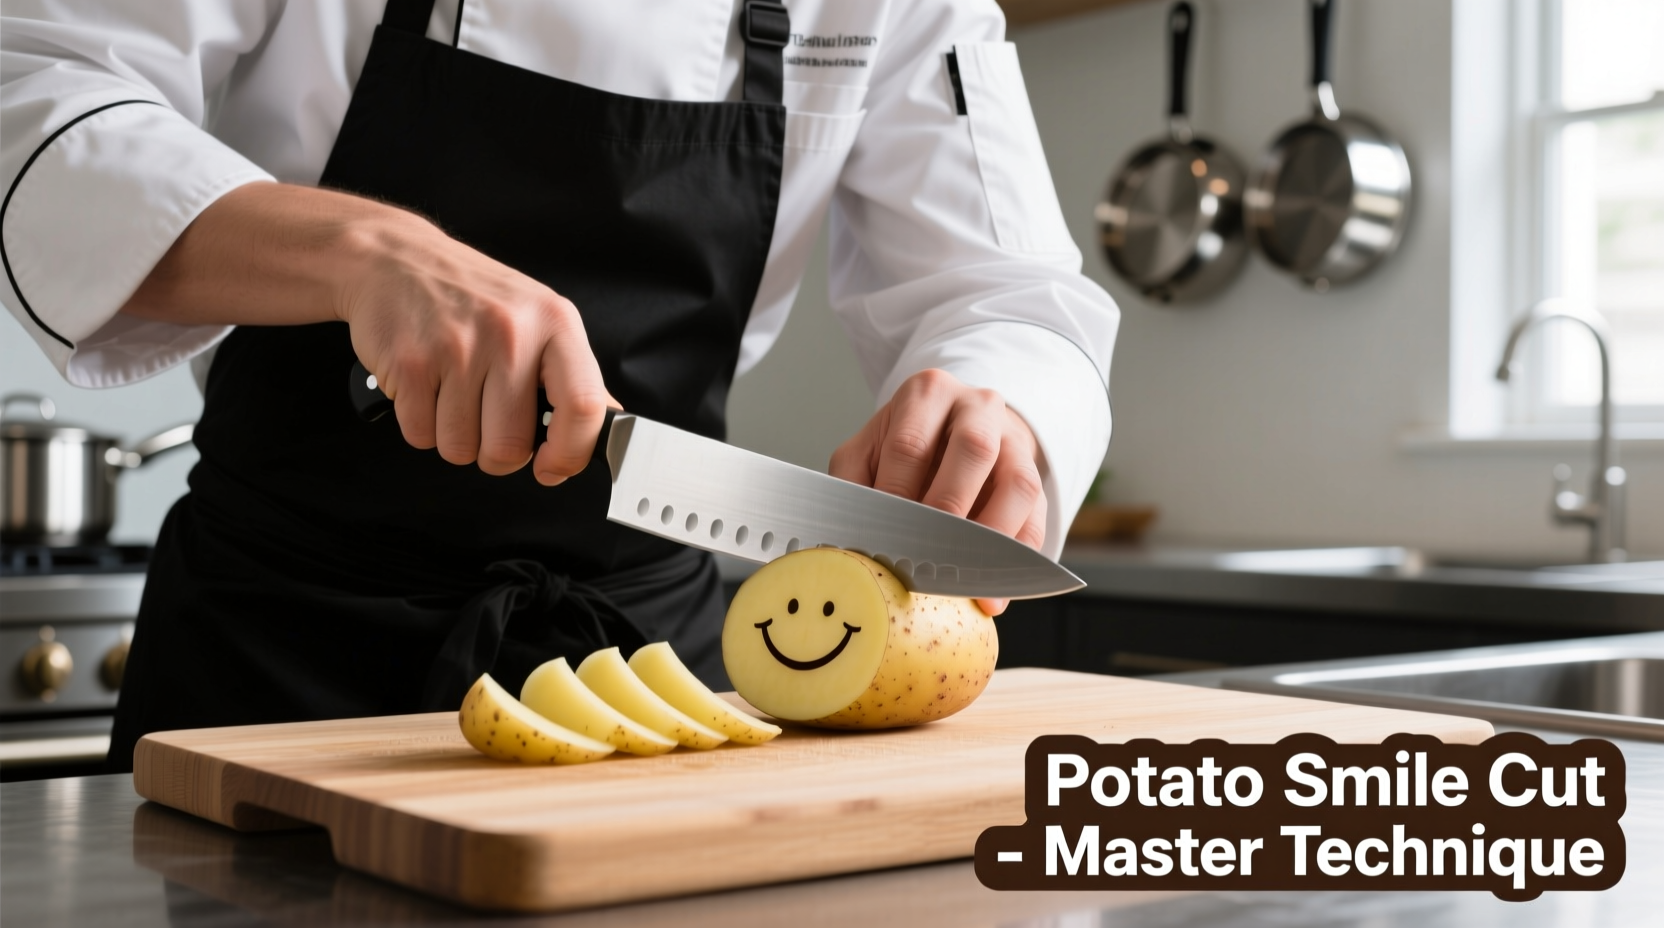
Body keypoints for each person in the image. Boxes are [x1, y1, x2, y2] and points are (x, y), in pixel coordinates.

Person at [0, 0, 1118, 771]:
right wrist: (358, 250)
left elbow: (1007, 285)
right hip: (278, 664)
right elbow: (37, 89)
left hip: (652, 682)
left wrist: (997, 399)